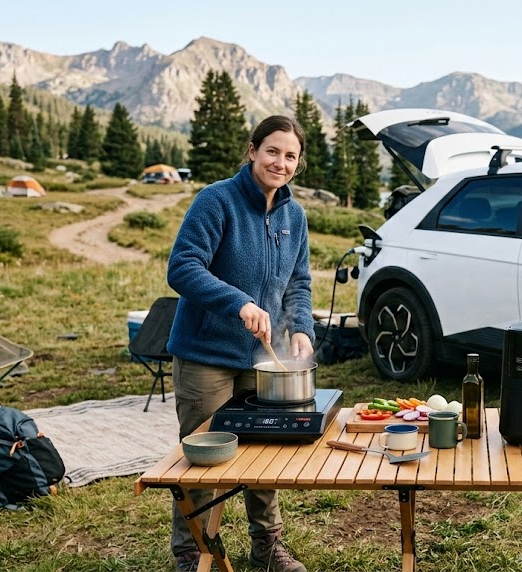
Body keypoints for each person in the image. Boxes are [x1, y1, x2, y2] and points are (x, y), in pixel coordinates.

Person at [166, 115, 314, 572]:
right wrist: (239, 303)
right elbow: (183, 267)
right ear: (252, 151)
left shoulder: (294, 216)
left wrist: (302, 327)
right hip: (206, 354)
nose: (280, 163)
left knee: (264, 450)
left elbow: (299, 282)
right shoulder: (216, 200)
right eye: (272, 151)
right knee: (204, 455)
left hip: (262, 359)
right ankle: (192, 552)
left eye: (290, 156)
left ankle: (266, 545)